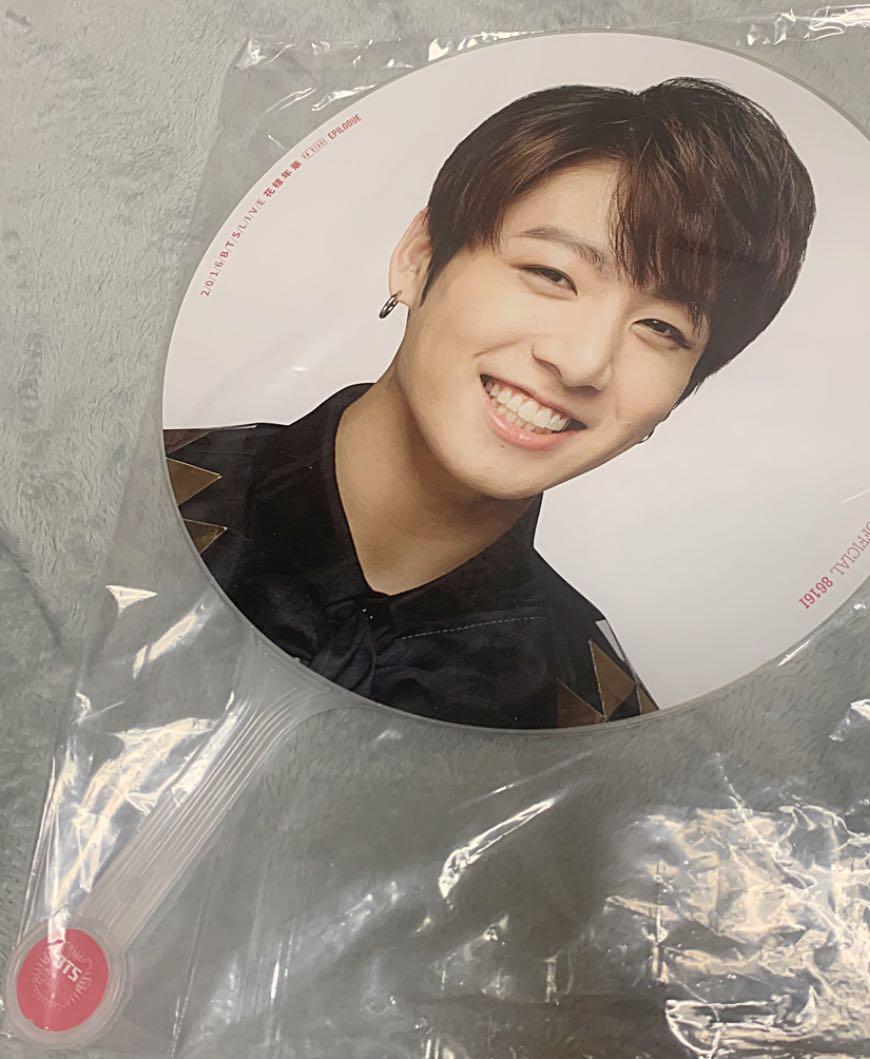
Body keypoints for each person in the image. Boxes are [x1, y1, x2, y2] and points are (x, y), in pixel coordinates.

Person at [166, 77, 816, 729]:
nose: (583, 362)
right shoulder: (141, 487)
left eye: (662, 329)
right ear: (420, 258)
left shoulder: (601, 729)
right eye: (551, 274)